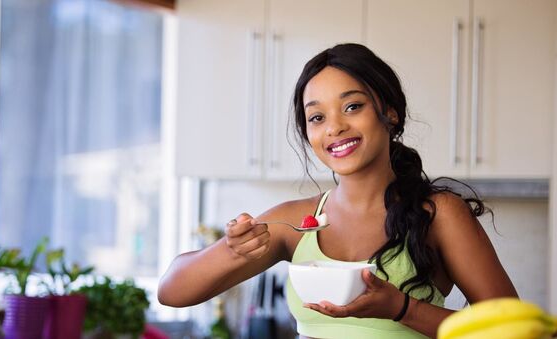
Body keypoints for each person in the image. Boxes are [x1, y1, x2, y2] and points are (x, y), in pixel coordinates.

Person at [157, 43, 517, 338]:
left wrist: (402, 309)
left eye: (353, 106)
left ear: (389, 112)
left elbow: (514, 331)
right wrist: (232, 250)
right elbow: (172, 291)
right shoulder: (294, 222)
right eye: (317, 117)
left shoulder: (438, 214)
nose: (335, 127)